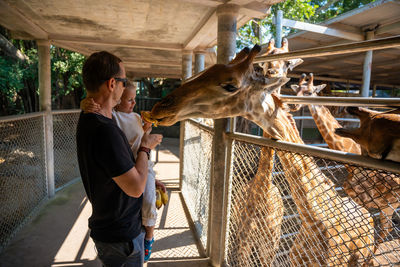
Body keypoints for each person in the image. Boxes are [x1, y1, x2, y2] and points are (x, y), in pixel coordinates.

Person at [76, 51, 163, 267]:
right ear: (112, 83)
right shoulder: (105, 130)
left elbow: (120, 167)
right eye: (123, 82)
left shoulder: (91, 118)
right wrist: (146, 146)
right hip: (121, 237)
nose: (125, 87)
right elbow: (135, 188)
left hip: (112, 229)